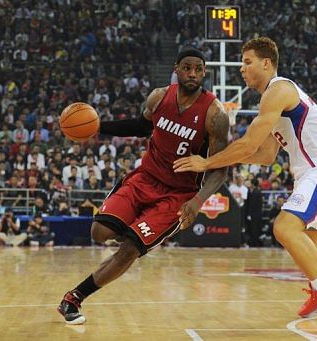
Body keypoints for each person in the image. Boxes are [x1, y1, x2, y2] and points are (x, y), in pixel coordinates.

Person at [173, 37, 317, 334]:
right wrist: (225, 160)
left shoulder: (279, 90)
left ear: (266, 63)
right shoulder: (272, 98)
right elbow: (266, 155)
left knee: (285, 228)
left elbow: (247, 145)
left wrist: (207, 162)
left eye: (247, 62)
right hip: (315, 169)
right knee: (312, 235)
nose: (242, 69)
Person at [57, 48, 229, 325]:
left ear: (204, 72)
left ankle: (74, 298)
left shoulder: (215, 114)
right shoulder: (159, 97)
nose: (193, 74)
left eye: (198, 69)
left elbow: (221, 167)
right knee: (99, 232)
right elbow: (141, 126)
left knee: (129, 250)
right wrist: (98, 127)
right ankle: (131, 235)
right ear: (176, 68)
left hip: (177, 195)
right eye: (187, 68)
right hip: (144, 178)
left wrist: (198, 201)